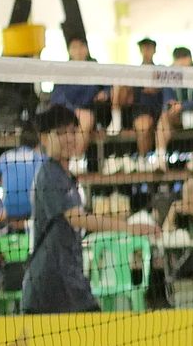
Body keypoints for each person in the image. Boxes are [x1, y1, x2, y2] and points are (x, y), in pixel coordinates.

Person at [20, 102, 145, 314]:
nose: (69, 138)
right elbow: (77, 218)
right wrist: (130, 228)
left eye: (73, 131)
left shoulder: (67, 176)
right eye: (61, 133)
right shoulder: (49, 174)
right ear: (44, 138)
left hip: (68, 279)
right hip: (49, 284)